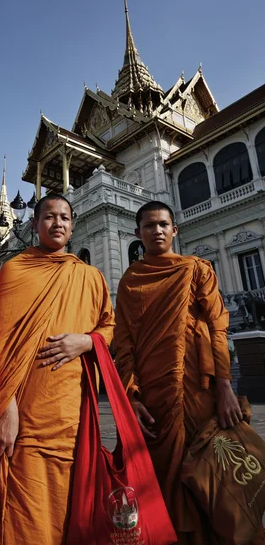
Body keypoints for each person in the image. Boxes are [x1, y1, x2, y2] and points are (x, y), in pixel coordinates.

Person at [0, 193, 115, 545]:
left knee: (69, 496)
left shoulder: (90, 276)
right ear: (34, 225)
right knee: (23, 501)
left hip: (72, 409)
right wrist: (6, 408)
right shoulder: (14, 270)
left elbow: (108, 328)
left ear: (73, 224)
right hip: (26, 409)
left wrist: (87, 341)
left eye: (64, 217)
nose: (57, 223)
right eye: (49, 217)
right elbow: (0, 342)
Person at [113, 200, 255, 544]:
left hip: (198, 389)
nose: (157, 231)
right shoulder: (131, 280)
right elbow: (124, 342)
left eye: (163, 224)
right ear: (138, 234)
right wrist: (129, 396)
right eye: (149, 226)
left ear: (174, 230)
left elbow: (218, 329)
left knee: (209, 471)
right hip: (152, 394)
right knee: (157, 475)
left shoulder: (196, 269)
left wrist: (225, 387)